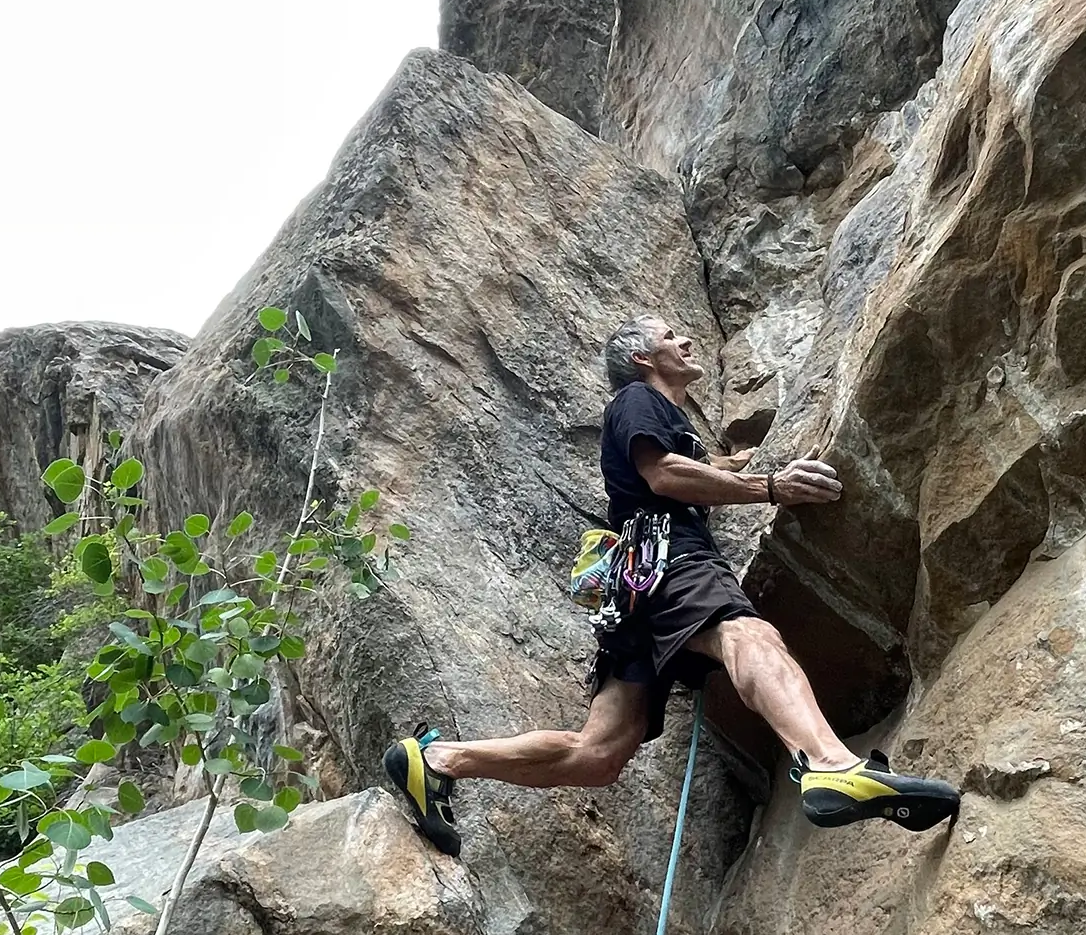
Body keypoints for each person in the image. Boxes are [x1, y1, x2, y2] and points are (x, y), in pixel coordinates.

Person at [383, 314, 960, 856]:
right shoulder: (637, 399)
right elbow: (664, 474)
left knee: (599, 754)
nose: (686, 341)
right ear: (642, 356)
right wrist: (771, 485)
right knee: (746, 636)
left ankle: (437, 759)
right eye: (671, 335)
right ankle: (831, 765)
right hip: (669, 558)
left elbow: (687, 465)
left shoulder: (671, 423)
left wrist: (736, 466)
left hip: (633, 591)